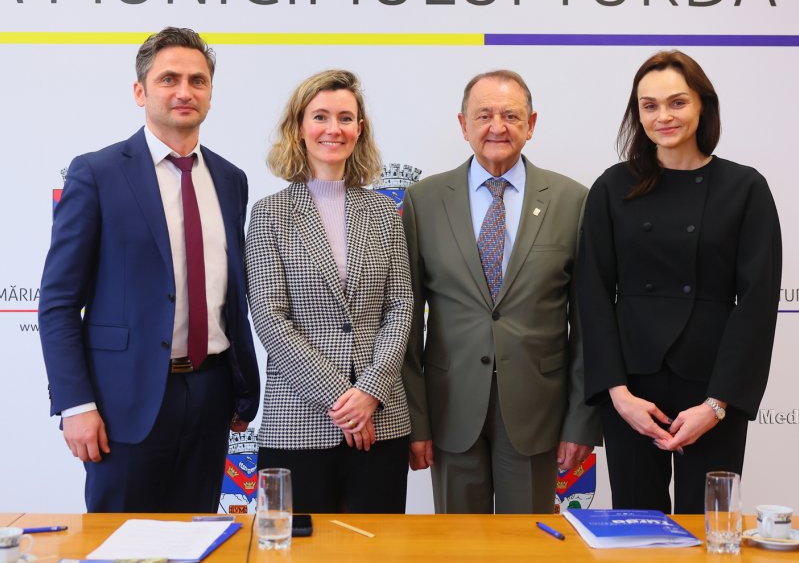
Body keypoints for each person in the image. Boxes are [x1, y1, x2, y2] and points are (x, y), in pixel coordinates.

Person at [38, 27, 260, 513]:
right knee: (120, 541)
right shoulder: (96, 174)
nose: (185, 91)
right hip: (123, 403)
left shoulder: (230, 179)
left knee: (197, 537)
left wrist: (243, 388)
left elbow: (230, 293)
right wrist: (76, 404)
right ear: (140, 92)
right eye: (169, 79)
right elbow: (57, 303)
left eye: (198, 81)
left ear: (210, 93)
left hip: (212, 396)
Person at [577, 50, 782, 514]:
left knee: (709, 526)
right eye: (649, 106)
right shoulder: (612, 187)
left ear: (703, 105)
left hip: (712, 389)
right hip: (632, 390)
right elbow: (592, 295)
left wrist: (717, 405)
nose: (663, 116)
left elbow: (756, 304)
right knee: (637, 526)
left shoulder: (745, 188)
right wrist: (618, 394)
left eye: (677, 102)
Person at [402, 69, 601, 514]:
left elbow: (588, 326)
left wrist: (581, 421)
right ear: (463, 124)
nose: (497, 127)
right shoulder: (423, 201)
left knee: (527, 544)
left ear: (531, 124)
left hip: (537, 413)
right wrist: (416, 421)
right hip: (450, 411)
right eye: (484, 115)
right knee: (457, 545)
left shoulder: (573, 201)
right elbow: (406, 323)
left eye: (511, 115)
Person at [245, 69, 413, 513]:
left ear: (360, 129)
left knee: (377, 545)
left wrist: (370, 391)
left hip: (380, 422)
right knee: (295, 546)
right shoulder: (268, 214)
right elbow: (270, 318)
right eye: (320, 116)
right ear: (299, 128)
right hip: (298, 422)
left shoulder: (384, 212)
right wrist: (343, 400)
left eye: (345, 118)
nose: (333, 129)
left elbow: (400, 307)